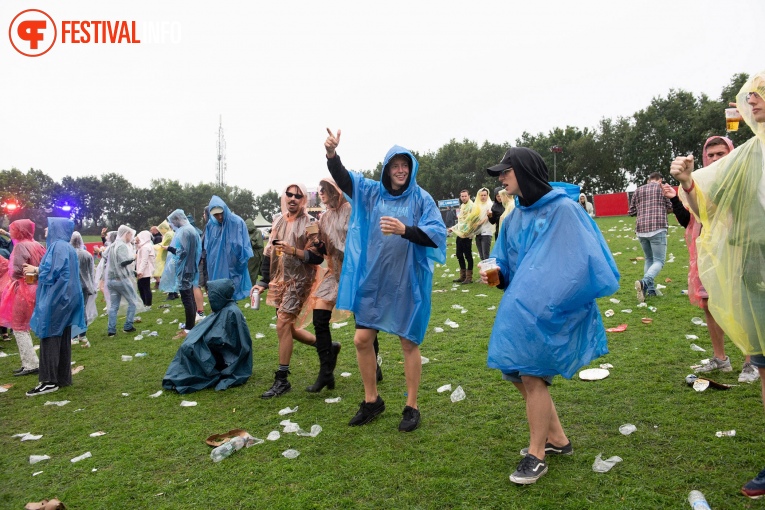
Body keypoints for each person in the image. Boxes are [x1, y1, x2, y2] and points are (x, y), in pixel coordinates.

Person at [481, 148, 619, 484]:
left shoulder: (565, 210)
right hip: (521, 309)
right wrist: (498, 274)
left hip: (551, 311)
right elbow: (508, 263)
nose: (501, 178)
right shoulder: (512, 217)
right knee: (515, 371)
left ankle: (536, 455)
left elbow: (584, 261)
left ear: (525, 171)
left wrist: (550, 298)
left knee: (531, 375)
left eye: (506, 171)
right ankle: (557, 439)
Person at [671, 73, 765, 498]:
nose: (753, 100)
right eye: (750, 95)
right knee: (764, 366)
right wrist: (689, 180)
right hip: (756, 273)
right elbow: (707, 202)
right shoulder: (747, 155)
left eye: (761, 93)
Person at [324, 128, 446, 432]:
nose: (401, 170)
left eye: (405, 165)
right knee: (361, 339)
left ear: (411, 168)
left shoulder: (421, 199)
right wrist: (331, 155)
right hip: (375, 279)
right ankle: (371, 400)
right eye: (395, 165)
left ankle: (412, 405)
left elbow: (436, 235)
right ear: (387, 169)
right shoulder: (371, 192)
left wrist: (405, 230)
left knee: (408, 341)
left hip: (408, 281)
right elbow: (344, 179)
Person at [664, 136, 756, 383]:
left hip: (738, 250)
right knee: (709, 303)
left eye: (721, 153)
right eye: (711, 155)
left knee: (742, 304)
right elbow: (697, 213)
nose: (716, 159)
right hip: (706, 252)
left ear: (732, 153)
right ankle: (720, 358)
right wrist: (686, 183)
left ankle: (751, 362)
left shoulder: (745, 176)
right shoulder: (702, 182)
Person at [253, 184, 323, 398]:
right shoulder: (278, 220)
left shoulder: (310, 224)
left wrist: (294, 251)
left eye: (298, 195)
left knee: (282, 323)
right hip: (279, 280)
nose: (293, 198)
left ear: (303, 199)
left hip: (300, 281)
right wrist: (262, 282)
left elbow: (319, 256)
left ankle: (282, 379)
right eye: (289, 194)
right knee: (287, 328)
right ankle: (326, 347)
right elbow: (268, 252)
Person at [25, 218, 85, 396]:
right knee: (63, 336)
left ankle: (49, 380)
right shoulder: (67, 247)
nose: (46, 231)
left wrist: (36, 271)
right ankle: (63, 377)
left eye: (49, 227)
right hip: (68, 297)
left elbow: (52, 273)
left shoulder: (57, 246)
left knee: (49, 335)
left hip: (57, 298)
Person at [162, 279, 253, 394]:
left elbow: (227, 341)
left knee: (192, 348)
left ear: (220, 294)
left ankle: (185, 378)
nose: (209, 297)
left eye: (211, 294)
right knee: (189, 347)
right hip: (214, 349)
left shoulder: (231, 312)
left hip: (223, 356)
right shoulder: (222, 309)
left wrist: (204, 339)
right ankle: (180, 377)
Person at [305, 177, 350, 393]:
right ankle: (325, 372)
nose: (321, 193)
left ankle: (375, 362)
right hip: (334, 271)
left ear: (334, 190)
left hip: (353, 271)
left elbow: (356, 243)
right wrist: (317, 243)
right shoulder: (323, 218)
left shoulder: (350, 210)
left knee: (365, 322)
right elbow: (324, 251)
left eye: (324, 189)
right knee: (319, 316)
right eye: (319, 190)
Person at [0, 220, 45, 376]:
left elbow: (18, 270)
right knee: (24, 325)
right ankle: (30, 362)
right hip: (37, 287)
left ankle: (30, 363)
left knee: (19, 326)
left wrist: (13, 275)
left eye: (12, 230)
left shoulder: (21, 246)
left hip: (24, 288)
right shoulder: (37, 245)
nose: (10, 232)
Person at [629, 172, 672, 303]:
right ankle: (645, 282)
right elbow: (671, 207)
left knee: (649, 259)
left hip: (641, 229)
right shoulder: (662, 188)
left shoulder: (638, 190)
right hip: (657, 227)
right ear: (660, 180)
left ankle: (651, 290)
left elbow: (631, 212)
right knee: (659, 261)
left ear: (649, 180)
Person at [204, 196, 253, 301]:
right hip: (215, 267)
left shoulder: (237, 222)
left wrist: (239, 263)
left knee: (231, 295)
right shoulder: (211, 225)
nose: (220, 217)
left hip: (233, 267)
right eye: (216, 215)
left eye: (221, 213)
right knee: (218, 296)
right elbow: (208, 246)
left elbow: (244, 247)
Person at [164, 210, 202, 340]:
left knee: (187, 298)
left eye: (172, 222)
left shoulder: (185, 231)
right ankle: (191, 326)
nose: (172, 225)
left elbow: (183, 251)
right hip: (190, 266)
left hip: (185, 268)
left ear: (176, 220)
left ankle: (189, 328)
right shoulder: (190, 229)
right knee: (189, 295)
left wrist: (171, 249)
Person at [106, 225, 139, 337]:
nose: (131, 237)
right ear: (126, 234)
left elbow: (104, 256)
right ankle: (128, 326)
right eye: (130, 234)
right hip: (121, 280)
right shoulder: (122, 246)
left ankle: (111, 330)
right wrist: (134, 257)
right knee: (133, 301)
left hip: (111, 280)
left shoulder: (112, 245)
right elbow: (123, 262)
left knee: (114, 305)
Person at [70, 232, 97, 347]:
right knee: (83, 309)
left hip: (71, 286)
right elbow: (91, 272)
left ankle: (74, 336)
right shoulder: (87, 255)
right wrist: (92, 285)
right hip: (85, 285)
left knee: (72, 311)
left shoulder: (69, 254)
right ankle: (83, 334)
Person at [450, 190, 476, 284]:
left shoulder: (472, 206)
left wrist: (468, 232)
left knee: (468, 255)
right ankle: (462, 276)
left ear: (469, 196)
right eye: (462, 196)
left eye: (465, 196)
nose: (463, 198)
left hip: (467, 235)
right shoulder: (462, 206)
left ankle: (469, 278)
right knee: (459, 254)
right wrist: (453, 228)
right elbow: (461, 222)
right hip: (460, 234)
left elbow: (473, 221)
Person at [153, 221, 176, 298]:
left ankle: (171, 293)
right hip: (173, 255)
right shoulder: (172, 233)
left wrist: (152, 247)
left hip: (168, 256)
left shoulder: (168, 234)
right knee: (173, 275)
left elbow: (163, 245)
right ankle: (175, 292)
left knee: (168, 275)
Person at [134, 230, 156, 308]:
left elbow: (144, 260)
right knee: (141, 286)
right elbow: (137, 249)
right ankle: (145, 303)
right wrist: (136, 243)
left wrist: (140, 271)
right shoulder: (144, 246)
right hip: (143, 270)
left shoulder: (146, 247)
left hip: (145, 270)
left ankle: (148, 304)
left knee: (145, 287)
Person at [474, 187, 494, 261]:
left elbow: (488, 217)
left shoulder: (490, 204)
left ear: (487, 195)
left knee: (486, 255)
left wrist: (479, 223)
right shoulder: (477, 205)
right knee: (481, 255)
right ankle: (485, 270)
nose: (483, 197)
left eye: (484, 195)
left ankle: (489, 271)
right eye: (481, 195)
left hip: (486, 232)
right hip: (478, 232)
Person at [246, 218, 265, 289]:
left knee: (254, 272)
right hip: (250, 255)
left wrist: (251, 242)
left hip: (256, 255)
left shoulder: (258, 232)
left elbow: (259, 245)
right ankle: (251, 286)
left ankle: (253, 287)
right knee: (251, 272)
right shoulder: (246, 232)